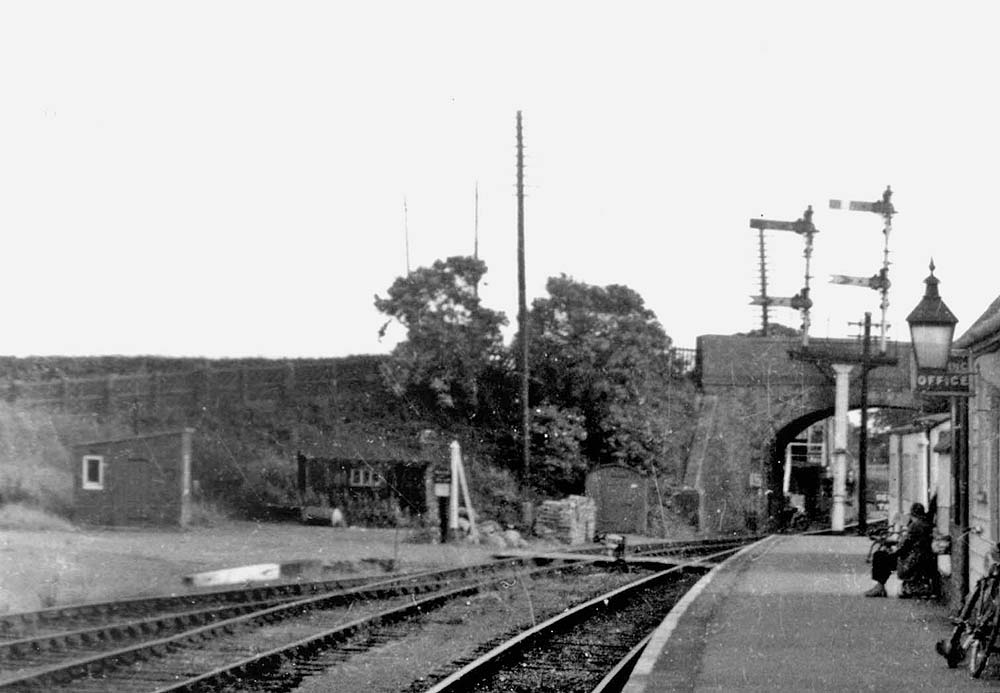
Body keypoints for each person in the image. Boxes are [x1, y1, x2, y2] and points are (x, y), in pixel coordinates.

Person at [895, 502, 938, 599]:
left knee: (895, 559)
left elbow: (906, 544)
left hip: (917, 556)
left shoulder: (914, 526)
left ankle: (910, 586)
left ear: (913, 514)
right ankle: (917, 586)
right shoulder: (928, 523)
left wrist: (897, 550)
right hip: (928, 554)